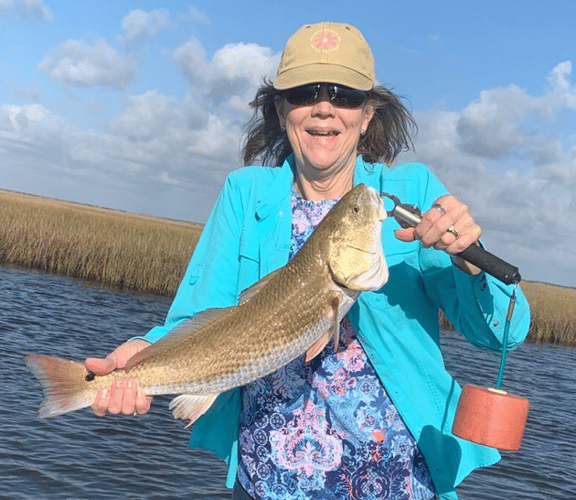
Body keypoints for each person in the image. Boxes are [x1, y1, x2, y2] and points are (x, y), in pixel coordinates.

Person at [85, 22, 530, 500]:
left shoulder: (414, 194)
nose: (324, 107)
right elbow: (198, 318)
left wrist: (469, 262)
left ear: (367, 113)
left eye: (343, 93)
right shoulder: (244, 193)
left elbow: (504, 332)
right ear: (280, 109)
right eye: (304, 92)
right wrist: (139, 352)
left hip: (401, 483)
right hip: (267, 483)